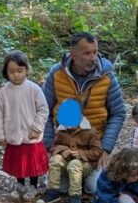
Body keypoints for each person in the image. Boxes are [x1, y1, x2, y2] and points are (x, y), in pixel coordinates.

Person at [41, 32, 126, 192]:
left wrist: (106, 149)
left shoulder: (107, 75)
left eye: (95, 52)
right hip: (65, 145)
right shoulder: (57, 74)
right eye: (87, 53)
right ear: (73, 54)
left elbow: (118, 113)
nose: (93, 57)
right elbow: (43, 110)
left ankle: (91, 174)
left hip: (94, 147)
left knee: (94, 188)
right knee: (59, 188)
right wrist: (49, 145)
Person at [0, 50, 50, 201]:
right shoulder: (3, 92)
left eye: (20, 71)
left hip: (31, 135)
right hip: (13, 134)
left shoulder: (34, 89)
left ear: (26, 70)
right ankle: (20, 185)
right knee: (18, 163)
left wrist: (37, 128)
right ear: (6, 72)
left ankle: (33, 185)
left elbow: (43, 109)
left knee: (32, 164)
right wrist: (0, 134)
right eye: (11, 71)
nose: (16, 75)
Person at [37, 118, 103, 203]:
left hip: (85, 164)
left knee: (75, 164)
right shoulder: (61, 131)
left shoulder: (90, 132)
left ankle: (75, 197)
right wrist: (62, 150)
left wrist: (81, 153)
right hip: (67, 163)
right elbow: (53, 147)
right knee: (55, 159)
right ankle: (52, 192)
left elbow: (98, 151)